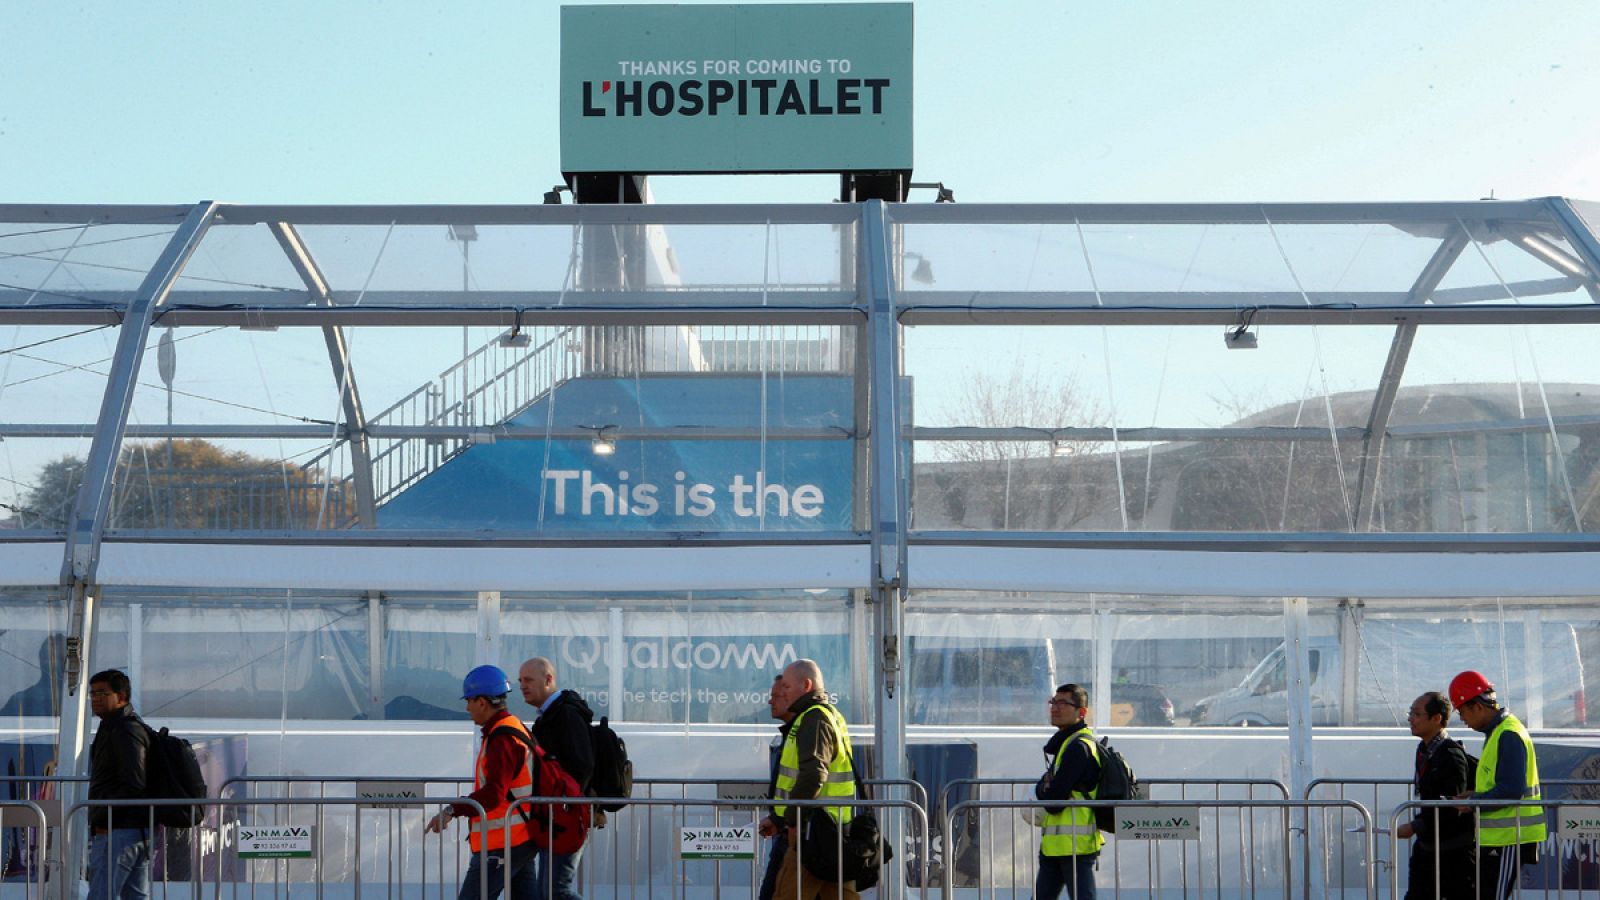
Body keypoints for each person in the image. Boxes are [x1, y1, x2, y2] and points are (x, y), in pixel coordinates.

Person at [425, 665, 538, 900]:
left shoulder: (502, 738)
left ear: (482, 702)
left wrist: (453, 809)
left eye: (469, 701)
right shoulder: (512, 728)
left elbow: (495, 794)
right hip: (519, 839)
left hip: (502, 844)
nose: (467, 708)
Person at [1449, 670, 1545, 900]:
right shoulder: (1499, 732)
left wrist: (1473, 803)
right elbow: (1503, 783)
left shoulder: (1507, 734)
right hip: (1502, 838)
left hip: (1510, 837)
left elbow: (1511, 790)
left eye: (1462, 712)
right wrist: (1476, 795)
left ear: (1477, 707)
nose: (1463, 719)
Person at [771, 659, 857, 900]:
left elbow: (812, 775)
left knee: (787, 894)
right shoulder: (829, 715)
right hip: (832, 828)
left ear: (806, 685)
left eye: (786, 687)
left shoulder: (813, 719)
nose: (781, 693)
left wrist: (792, 820)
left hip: (812, 830)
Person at [517, 657, 593, 900]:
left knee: (555, 891)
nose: (522, 686)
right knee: (546, 891)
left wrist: (563, 802)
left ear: (548, 679)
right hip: (554, 815)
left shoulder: (565, 715)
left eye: (528, 680)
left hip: (565, 816)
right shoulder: (550, 715)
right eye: (520, 681)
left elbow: (582, 765)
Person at [1396, 691, 1475, 900]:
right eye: (1410, 713)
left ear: (1436, 719)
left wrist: (1415, 826)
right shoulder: (1423, 750)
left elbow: (1452, 807)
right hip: (1428, 847)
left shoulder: (1450, 755)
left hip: (1453, 853)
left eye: (1416, 713)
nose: (1410, 718)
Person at [86, 669, 151, 900]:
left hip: (119, 830)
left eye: (102, 693)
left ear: (122, 696)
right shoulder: (116, 725)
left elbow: (133, 782)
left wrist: (104, 817)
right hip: (133, 829)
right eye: (92, 693)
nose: (95, 698)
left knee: (101, 895)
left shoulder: (124, 729)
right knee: (134, 896)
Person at [1035, 683, 1102, 900]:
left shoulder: (1078, 747)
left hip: (1075, 847)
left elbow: (1054, 801)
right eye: (1053, 702)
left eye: (1063, 703)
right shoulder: (1068, 744)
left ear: (1081, 712)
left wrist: (1043, 788)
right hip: (1057, 847)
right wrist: (1045, 787)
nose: (1055, 708)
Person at [758, 675, 795, 900]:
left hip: (798, 832)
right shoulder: (793, 730)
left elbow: (811, 779)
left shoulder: (807, 726)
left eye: (775, 696)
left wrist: (781, 820)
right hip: (792, 829)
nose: (770, 701)